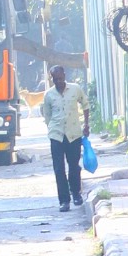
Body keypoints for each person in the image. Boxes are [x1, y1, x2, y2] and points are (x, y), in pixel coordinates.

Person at [41, 65, 90, 212]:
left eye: (60, 78)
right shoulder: (48, 95)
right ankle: (64, 200)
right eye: (55, 80)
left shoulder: (75, 89)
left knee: (74, 166)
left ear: (64, 75)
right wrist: (52, 128)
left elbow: (85, 104)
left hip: (74, 134)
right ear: (52, 79)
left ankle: (76, 193)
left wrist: (86, 125)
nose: (59, 82)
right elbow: (47, 115)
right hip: (56, 135)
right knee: (59, 168)